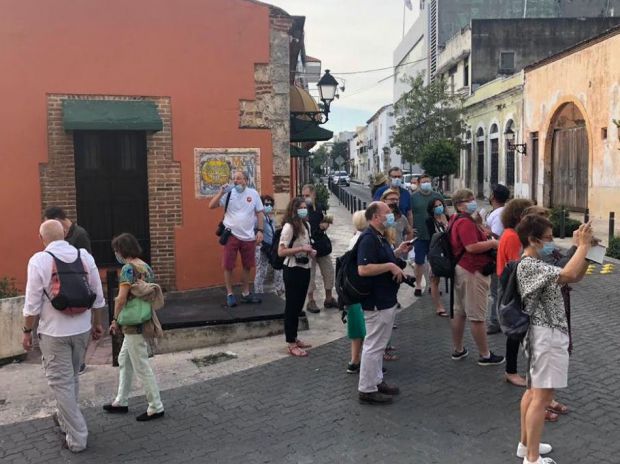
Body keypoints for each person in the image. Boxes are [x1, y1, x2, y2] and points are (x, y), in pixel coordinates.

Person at [22, 220, 105, 452]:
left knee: (61, 383)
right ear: (65, 234)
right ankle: (65, 418)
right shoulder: (84, 256)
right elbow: (98, 295)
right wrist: (98, 323)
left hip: (53, 333)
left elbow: (32, 305)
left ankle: (77, 438)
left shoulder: (39, 260)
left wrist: (27, 332)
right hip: (82, 329)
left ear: (42, 238)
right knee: (72, 378)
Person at [515, 215, 592, 464]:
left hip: (543, 334)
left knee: (532, 394)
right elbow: (568, 273)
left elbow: (573, 276)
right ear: (533, 239)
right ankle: (532, 458)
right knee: (542, 398)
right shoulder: (529, 265)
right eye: (548, 238)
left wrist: (587, 252)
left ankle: (526, 445)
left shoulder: (537, 262)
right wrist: (581, 246)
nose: (552, 242)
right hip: (545, 335)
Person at [104, 233, 165, 422]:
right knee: (125, 359)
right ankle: (121, 401)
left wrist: (115, 319)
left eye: (116, 250)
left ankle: (156, 406)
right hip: (144, 317)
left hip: (132, 322)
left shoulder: (128, 269)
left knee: (141, 365)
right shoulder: (145, 267)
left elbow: (122, 298)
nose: (116, 254)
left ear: (122, 250)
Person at [357, 202, 413, 404]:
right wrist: (390, 266)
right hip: (375, 301)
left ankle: (376, 380)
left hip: (386, 299)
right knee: (373, 345)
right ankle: (367, 388)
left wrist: (397, 252)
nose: (391, 216)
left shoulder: (380, 237)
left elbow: (381, 259)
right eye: (387, 213)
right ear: (375, 217)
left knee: (379, 345)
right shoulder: (368, 238)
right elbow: (363, 269)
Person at [449, 189, 504, 365]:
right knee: (477, 315)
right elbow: (471, 247)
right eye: (469, 200)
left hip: (461, 269)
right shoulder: (464, 222)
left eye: (473, 198)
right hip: (472, 271)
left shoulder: (456, 219)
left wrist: (480, 226)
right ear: (459, 204)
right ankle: (485, 355)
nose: (473, 202)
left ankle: (458, 349)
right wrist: (493, 243)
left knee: (460, 312)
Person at [43, 206, 93, 374]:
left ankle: (80, 362)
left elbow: (87, 261)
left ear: (57, 220)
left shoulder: (80, 234)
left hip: (76, 286)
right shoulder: (68, 235)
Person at [208, 171, 264, 307]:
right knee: (228, 266)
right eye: (234, 179)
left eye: (239, 178)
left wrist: (260, 231)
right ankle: (230, 294)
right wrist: (221, 192)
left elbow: (259, 213)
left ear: (246, 180)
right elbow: (211, 205)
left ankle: (245, 293)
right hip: (231, 234)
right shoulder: (229, 193)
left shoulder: (253, 194)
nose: (236, 181)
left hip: (249, 236)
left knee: (247, 265)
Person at [496, 199, 534, 387]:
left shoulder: (511, 234)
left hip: (512, 287)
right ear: (520, 216)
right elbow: (517, 266)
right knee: (516, 332)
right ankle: (511, 371)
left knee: (518, 332)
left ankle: (515, 370)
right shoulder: (512, 236)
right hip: (512, 289)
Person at [278, 197, 316, 357]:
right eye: (300, 207)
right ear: (294, 209)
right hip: (292, 269)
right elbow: (281, 252)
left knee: (299, 304)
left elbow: (308, 244)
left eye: (305, 207)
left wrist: (310, 251)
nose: (303, 210)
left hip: (305, 267)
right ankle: (291, 342)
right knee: (292, 306)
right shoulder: (289, 227)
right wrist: (300, 248)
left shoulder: (306, 225)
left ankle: (294, 337)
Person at [302, 184, 337, 313]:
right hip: (308, 247)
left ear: (313, 195)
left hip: (321, 245)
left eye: (307, 195)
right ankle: (311, 301)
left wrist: (326, 224)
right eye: (303, 196)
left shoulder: (319, 207)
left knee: (328, 271)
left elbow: (325, 219)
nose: (305, 198)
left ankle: (329, 299)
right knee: (310, 275)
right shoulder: (302, 209)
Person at [410, 174, 443, 297]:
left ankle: (433, 285)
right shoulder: (413, 198)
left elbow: (443, 212)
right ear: (419, 183)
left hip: (435, 236)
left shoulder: (437, 196)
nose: (426, 184)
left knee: (434, 262)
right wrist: (410, 229)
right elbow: (409, 214)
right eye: (424, 182)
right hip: (420, 235)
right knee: (419, 262)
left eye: (428, 181)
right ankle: (418, 285)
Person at [485, 184, 511, 334]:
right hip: (505, 257)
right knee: (500, 291)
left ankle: (496, 321)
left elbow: (497, 237)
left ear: (493, 197)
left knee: (496, 292)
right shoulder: (503, 212)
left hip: (498, 257)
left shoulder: (498, 214)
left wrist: (484, 229)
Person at [346, 210, 368, 374]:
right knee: (367, 328)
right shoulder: (363, 240)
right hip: (361, 289)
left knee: (356, 327)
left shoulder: (355, 238)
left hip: (352, 290)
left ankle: (354, 360)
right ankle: (367, 364)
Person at [253, 194, 284, 297]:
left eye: (270, 204)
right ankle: (259, 293)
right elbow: (253, 231)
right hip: (261, 248)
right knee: (261, 271)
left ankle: (279, 289)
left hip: (271, 247)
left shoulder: (269, 218)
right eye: (266, 204)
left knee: (278, 268)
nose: (269, 206)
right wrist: (259, 243)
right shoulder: (257, 218)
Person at [426, 197, 449, 317]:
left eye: (440, 205)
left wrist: (446, 224)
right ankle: (439, 307)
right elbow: (432, 238)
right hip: (436, 252)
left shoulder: (448, 218)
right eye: (436, 206)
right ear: (431, 209)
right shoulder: (429, 221)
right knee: (434, 279)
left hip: (448, 252)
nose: (439, 207)